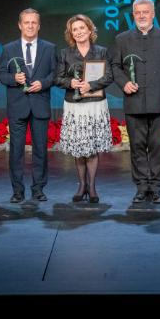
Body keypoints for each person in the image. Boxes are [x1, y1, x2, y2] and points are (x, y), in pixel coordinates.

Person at [111, 0, 160, 204]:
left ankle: (157, 187)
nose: (142, 16)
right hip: (134, 101)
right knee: (137, 145)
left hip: (159, 101)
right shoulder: (122, 39)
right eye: (138, 12)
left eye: (146, 12)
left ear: (153, 14)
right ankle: (142, 186)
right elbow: (115, 66)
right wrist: (124, 83)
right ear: (133, 15)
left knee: (158, 145)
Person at [0, 8, 56, 203]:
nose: (30, 26)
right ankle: (17, 191)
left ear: (39, 26)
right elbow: (1, 74)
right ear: (20, 25)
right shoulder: (9, 49)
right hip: (18, 106)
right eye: (26, 22)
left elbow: (55, 74)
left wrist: (43, 83)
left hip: (40, 105)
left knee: (40, 150)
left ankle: (38, 189)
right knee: (16, 151)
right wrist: (14, 78)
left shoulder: (49, 48)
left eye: (34, 23)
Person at [55, 14, 114, 203]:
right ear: (71, 34)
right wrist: (70, 82)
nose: (79, 32)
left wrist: (91, 85)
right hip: (74, 106)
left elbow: (109, 77)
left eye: (82, 28)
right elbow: (57, 78)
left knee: (92, 147)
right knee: (79, 147)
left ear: (90, 30)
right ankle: (82, 185)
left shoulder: (102, 52)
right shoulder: (65, 53)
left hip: (95, 105)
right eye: (75, 29)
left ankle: (93, 186)